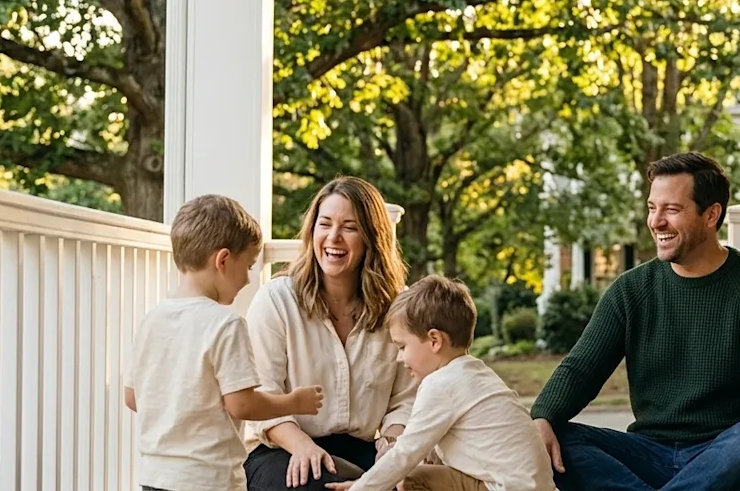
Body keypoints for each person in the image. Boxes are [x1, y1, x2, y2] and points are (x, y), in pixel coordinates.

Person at [531, 152, 740, 491]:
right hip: (649, 453)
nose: (656, 222)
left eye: (672, 210)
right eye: (652, 208)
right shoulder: (631, 291)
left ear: (711, 215)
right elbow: (580, 369)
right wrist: (542, 416)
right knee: (555, 437)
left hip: (727, 458)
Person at [124, 194, 325, 491]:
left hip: (155, 477)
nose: (248, 279)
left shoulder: (151, 319)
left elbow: (132, 397)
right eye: (248, 266)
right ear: (223, 260)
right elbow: (242, 404)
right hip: (208, 479)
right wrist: (293, 402)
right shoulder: (226, 325)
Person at [243, 176, 416, 490]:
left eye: (349, 227)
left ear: (371, 237)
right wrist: (302, 446)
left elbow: (406, 399)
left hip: (364, 452)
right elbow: (262, 395)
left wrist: (391, 446)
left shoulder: (398, 307)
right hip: (282, 448)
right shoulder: (277, 300)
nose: (333, 237)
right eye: (324, 224)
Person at [326, 275, 556, 491]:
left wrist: (360, 488)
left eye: (402, 347)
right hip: (524, 485)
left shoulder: (440, 385)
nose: (399, 358)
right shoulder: (476, 374)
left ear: (434, 340)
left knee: (410, 478)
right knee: (414, 474)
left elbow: (405, 454)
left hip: (503, 487)